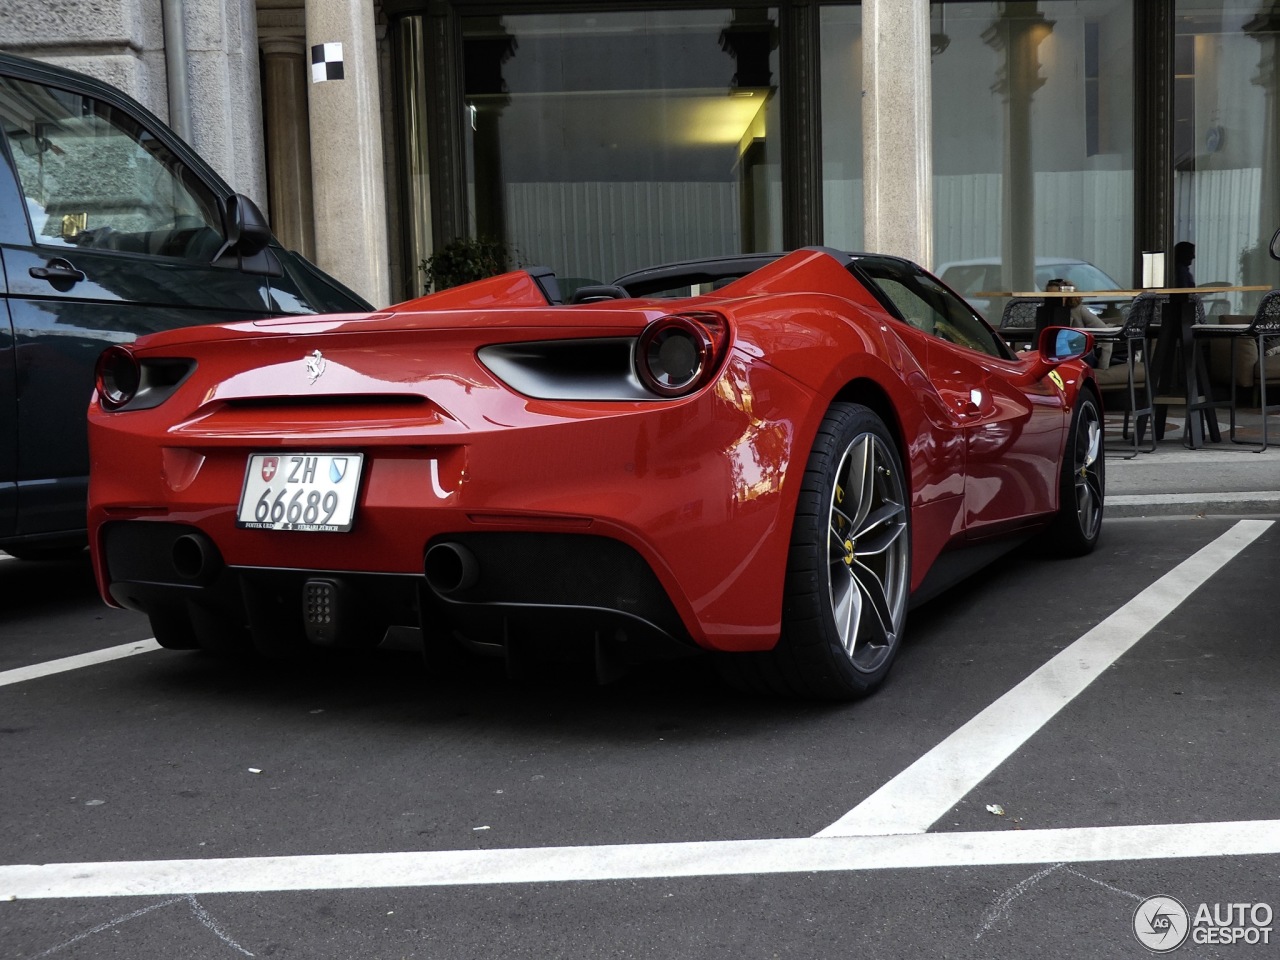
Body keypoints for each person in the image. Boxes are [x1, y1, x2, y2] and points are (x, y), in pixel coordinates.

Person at [1045, 278, 1113, 368]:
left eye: (1057, 296)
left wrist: (1103, 369)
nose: (1054, 300)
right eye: (1050, 296)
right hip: (1052, 356)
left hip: (1079, 355)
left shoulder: (1079, 310)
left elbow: (1106, 333)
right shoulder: (1045, 312)